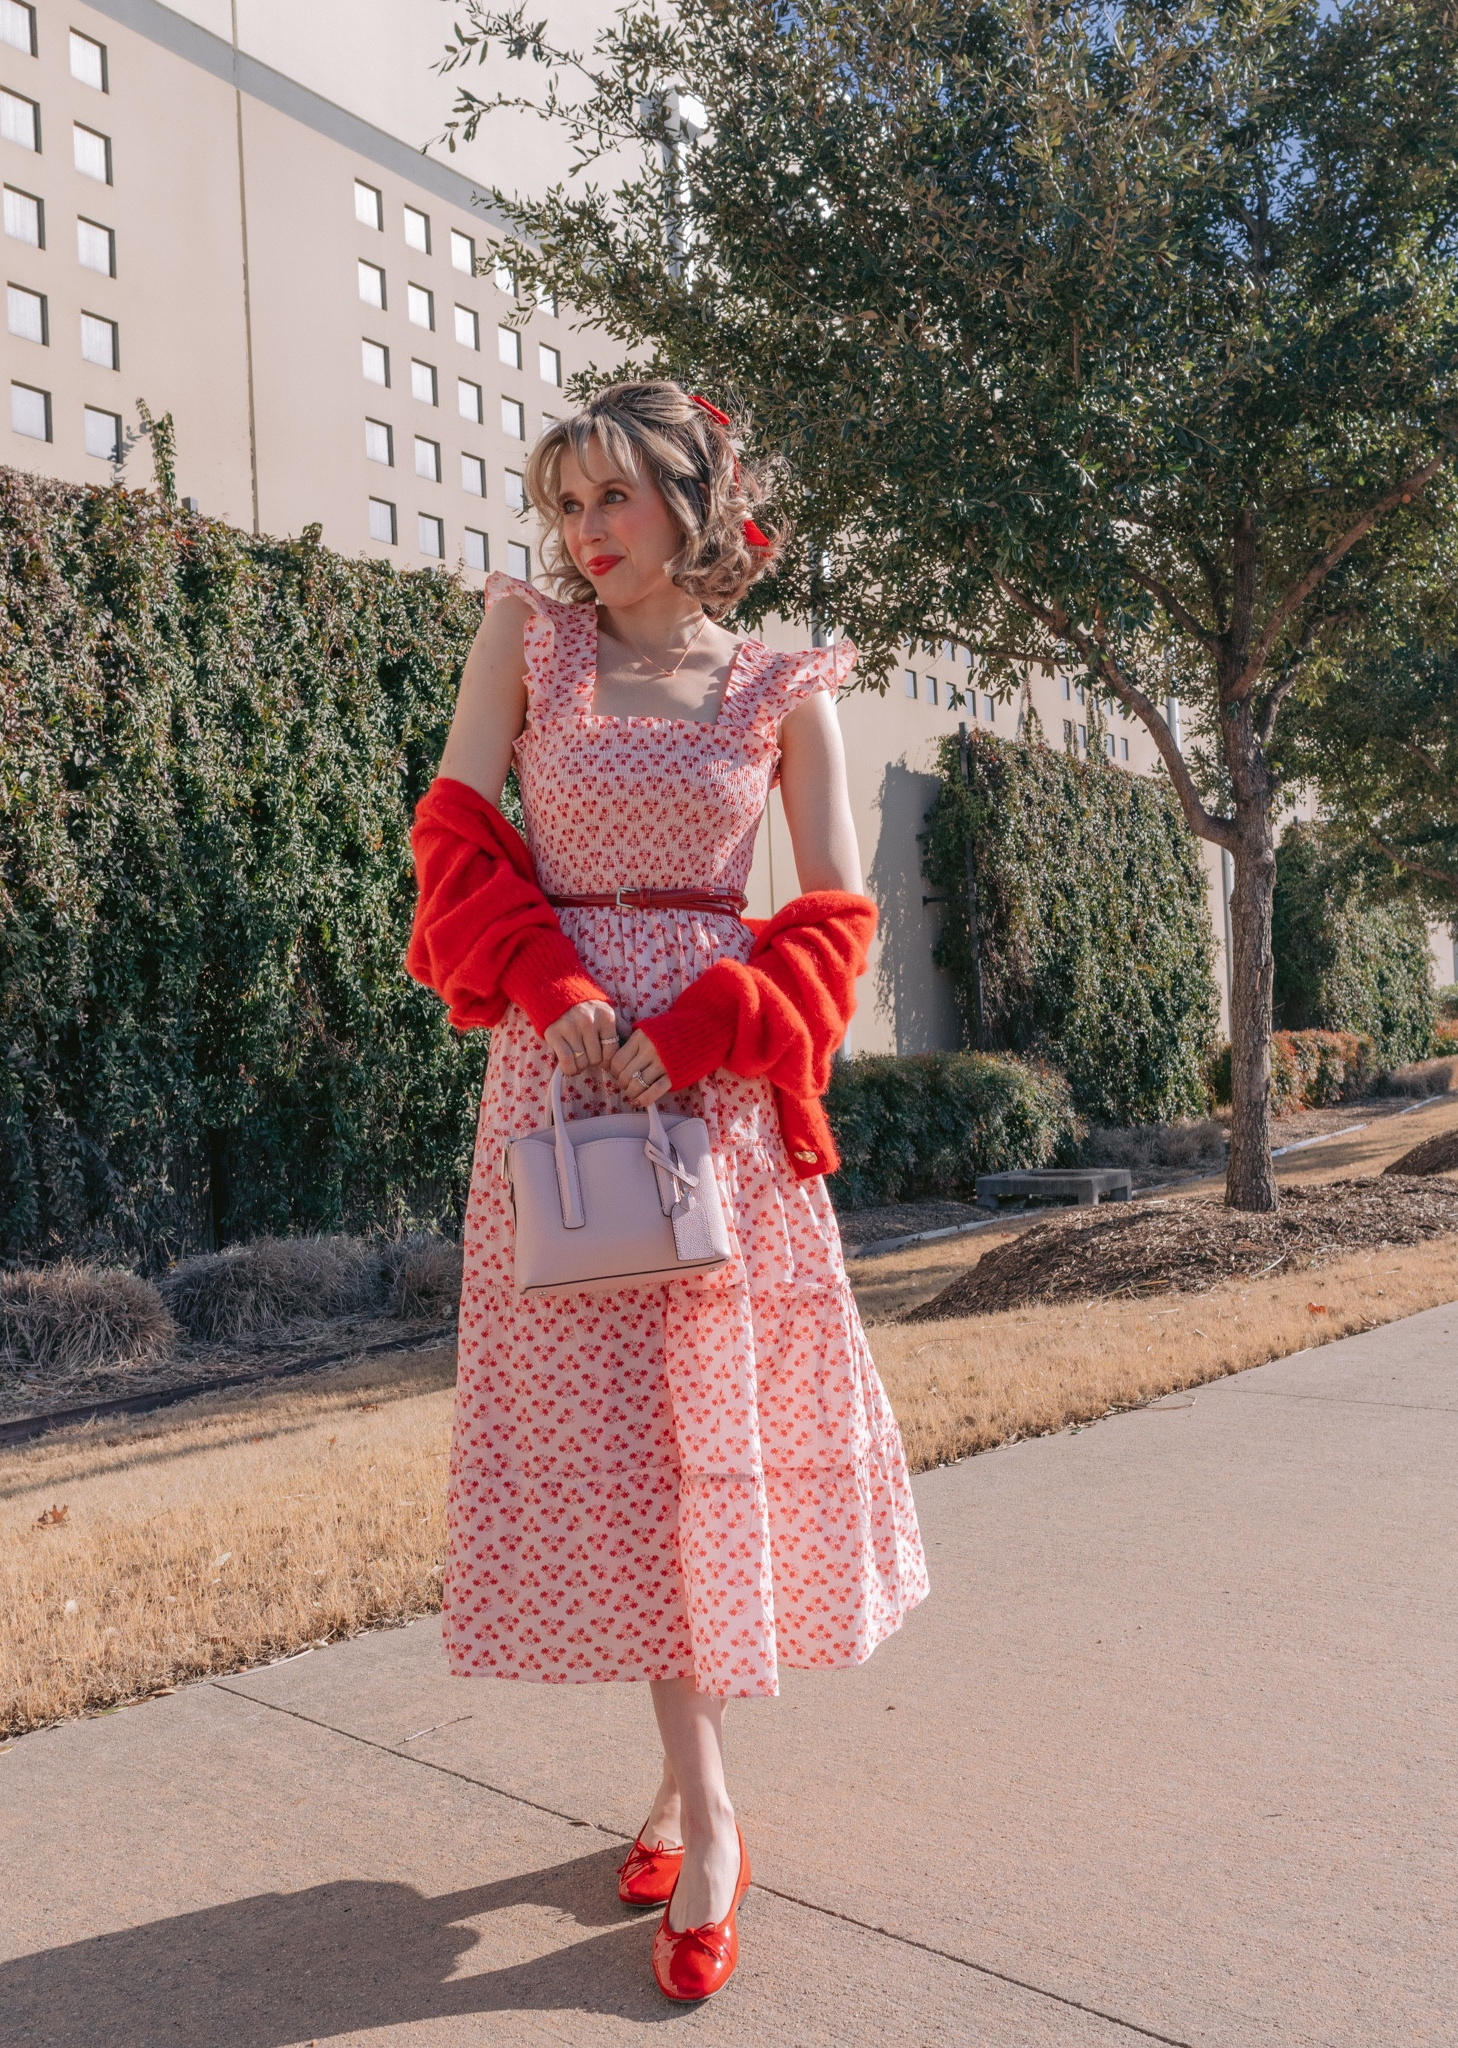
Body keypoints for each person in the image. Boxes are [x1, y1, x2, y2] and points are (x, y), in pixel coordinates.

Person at [407, 379, 927, 2003]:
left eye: (613, 498)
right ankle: (703, 1808)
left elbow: (834, 915)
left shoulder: (783, 684)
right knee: (624, 1447)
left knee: (699, 1439)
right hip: (564, 1084)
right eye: (565, 503)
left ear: (689, 503)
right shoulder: (525, 642)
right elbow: (452, 840)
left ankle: (696, 1814)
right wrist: (557, 992)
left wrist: (698, 1030)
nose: (583, 532)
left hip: (714, 1093)